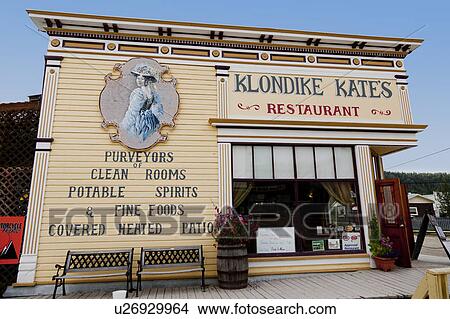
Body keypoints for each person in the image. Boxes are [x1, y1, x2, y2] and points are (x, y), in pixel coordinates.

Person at [121, 64, 164, 141]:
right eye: (138, 78)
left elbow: (132, 112)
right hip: (150, 121)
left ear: (147, 80)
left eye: (142, 79)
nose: (139, 81)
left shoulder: (138, 93)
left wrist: (124, 127)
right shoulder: (152, 93)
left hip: (139, 122)